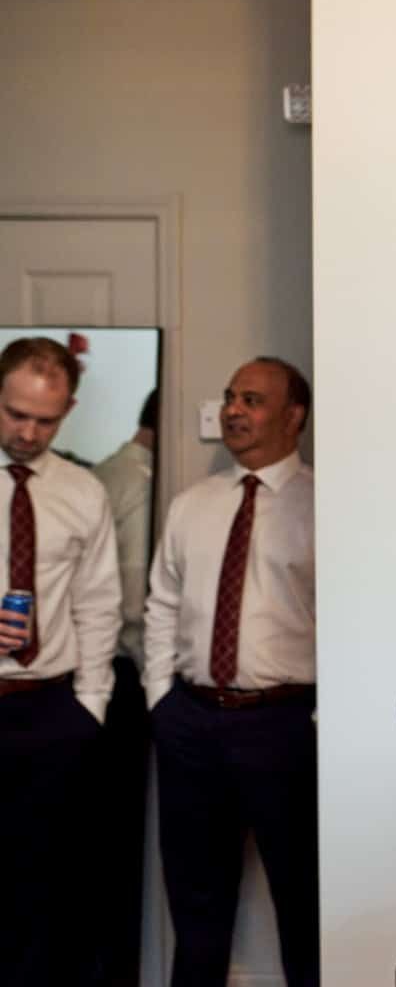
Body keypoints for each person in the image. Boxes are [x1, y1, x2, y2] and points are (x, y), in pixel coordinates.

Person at [143, 358, 317, 987]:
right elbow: (162, 603)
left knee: (304, 898)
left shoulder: (321, 506)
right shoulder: (193, 505)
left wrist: (319, 719)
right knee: (196, 903)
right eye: (228, 398)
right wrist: (162, 700)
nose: (234, 411)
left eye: (252, 399)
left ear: (293, 416)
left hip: (285, 725)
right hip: (191, 722)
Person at [0, 337, 122, 984]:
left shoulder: (83, 492)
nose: (27, 431)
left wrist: (90, 706)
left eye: (44, 419)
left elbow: (99, 603)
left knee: (48, 888)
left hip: (52, 711)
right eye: (15, 413)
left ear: (68, 409)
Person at [90, 388, 159, 987]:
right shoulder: (135, 484)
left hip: (99, 683)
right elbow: (134, 600)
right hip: (116, 684)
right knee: (109, 850)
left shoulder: (101, 476)